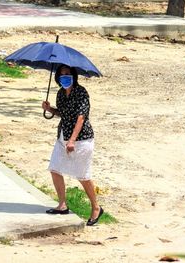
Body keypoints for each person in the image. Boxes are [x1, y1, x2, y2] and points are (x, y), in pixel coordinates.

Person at [42, 64, 103, 226]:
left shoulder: (81, 92)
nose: (64, 77)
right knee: (54, 169)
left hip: (81, 140)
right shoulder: (61, 93)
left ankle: (96, 207)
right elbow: (63, 113)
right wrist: (50, 110)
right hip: (63, 137)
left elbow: (81, 118)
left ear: (73, 76)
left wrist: (72, 140)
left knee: (82, 175)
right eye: (61, 75)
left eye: (67, 74)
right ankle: (62, 205)